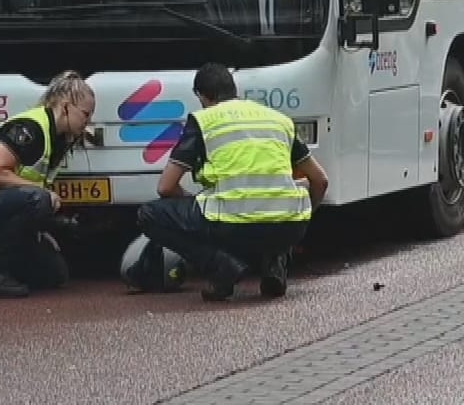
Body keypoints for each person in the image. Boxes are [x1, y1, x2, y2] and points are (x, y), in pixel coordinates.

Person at [126, 63, 328, 301]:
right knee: (279, 207)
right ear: (234, 89)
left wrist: (195, 203)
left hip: (230, 225)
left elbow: (165, 187)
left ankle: (220, 266)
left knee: (149, 214)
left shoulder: (204, 120)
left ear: (201, 95)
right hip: (288, 227)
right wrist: (302, 216)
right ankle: (275, 262)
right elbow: (320, 181)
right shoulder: (278, 120)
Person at [0, 71, 96, 297]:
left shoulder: (59, 139)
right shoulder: (31, 129)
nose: (88, 122)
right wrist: (41, 194)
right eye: (85, 114)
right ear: (65, 107)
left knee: (55, 274)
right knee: (38, 199)